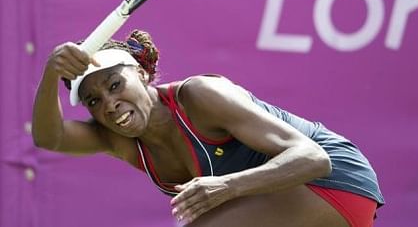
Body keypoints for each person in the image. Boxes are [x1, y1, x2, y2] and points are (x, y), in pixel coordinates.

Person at [32, 29, 384, 227]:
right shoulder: (116, 137)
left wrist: (227, 186)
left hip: (333, 180)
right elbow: (50, 137)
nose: (108, 104)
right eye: (93, 101)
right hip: (278, 198)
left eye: (114, 85)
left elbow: (313, 158)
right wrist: (52, 71)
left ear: (140, 74)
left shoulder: (200, 95)